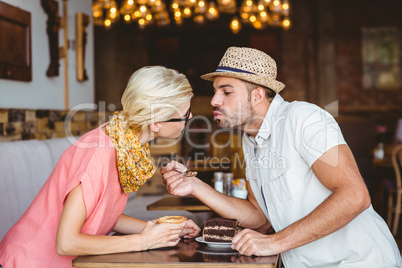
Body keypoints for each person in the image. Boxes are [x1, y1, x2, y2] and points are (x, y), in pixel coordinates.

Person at [161, 47, 402, 267]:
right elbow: (259, 217)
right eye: (215, 92)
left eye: (226, 91)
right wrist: (194, 185)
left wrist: (275, 242)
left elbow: (355, 196)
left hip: (357, 261)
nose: (214, 100)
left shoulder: (304, 118)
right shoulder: (250, 138)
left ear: (257, 95)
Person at [0, 66, 200, 267]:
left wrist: (164, 229)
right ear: (155, 122)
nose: (190, 117)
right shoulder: (99, 152)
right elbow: (66, 243)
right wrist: (142, 241)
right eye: (185, 113)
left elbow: (104, 215)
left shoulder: (126, 145)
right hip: (28, 262)